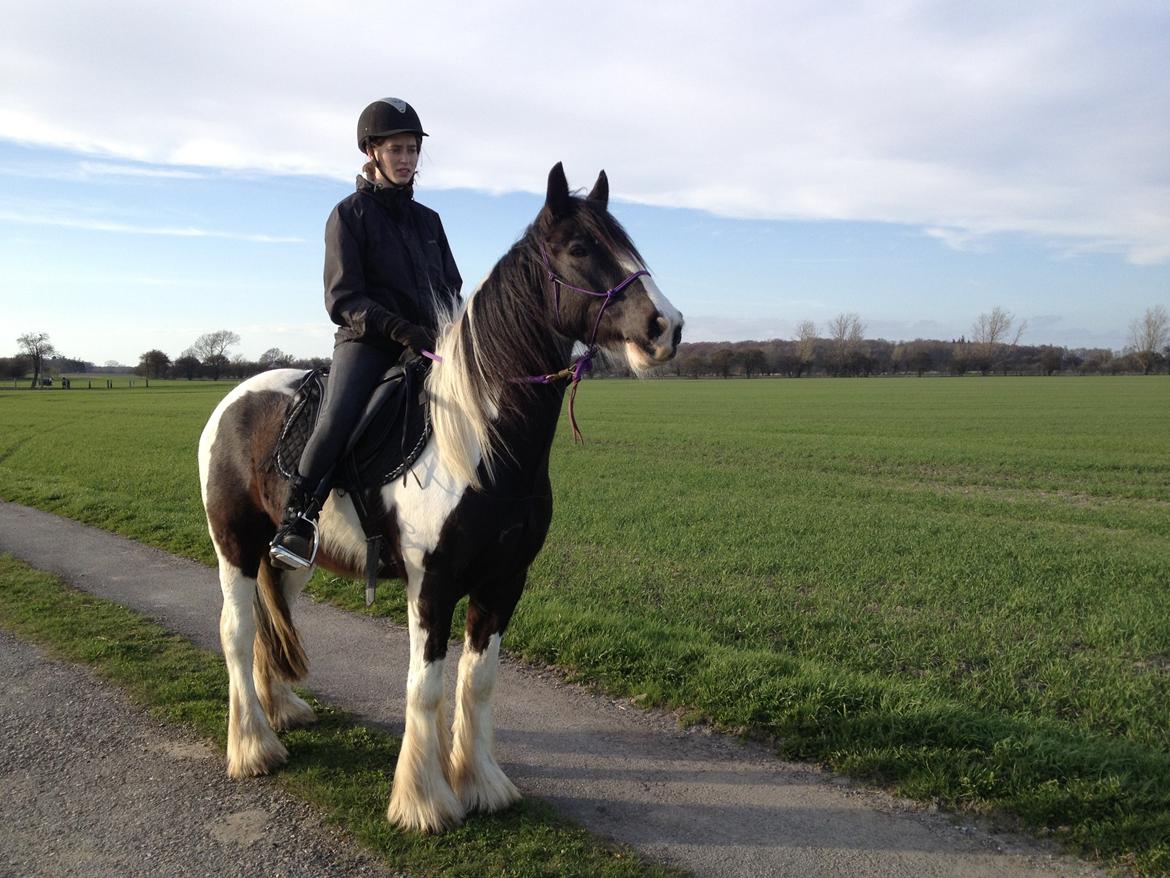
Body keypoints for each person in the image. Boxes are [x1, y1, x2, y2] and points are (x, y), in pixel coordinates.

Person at [270, 97, 462, 569]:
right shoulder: (348, 215)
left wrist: (451, 329)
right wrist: (398, 329)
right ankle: (299, 518)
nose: (406, 159)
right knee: (339, 417)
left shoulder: (430, 222)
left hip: (429, 344)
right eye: (396, 149)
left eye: (413, 150)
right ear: (372, 152)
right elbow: (343, 298)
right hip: (368, 342)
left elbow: (451, 288)